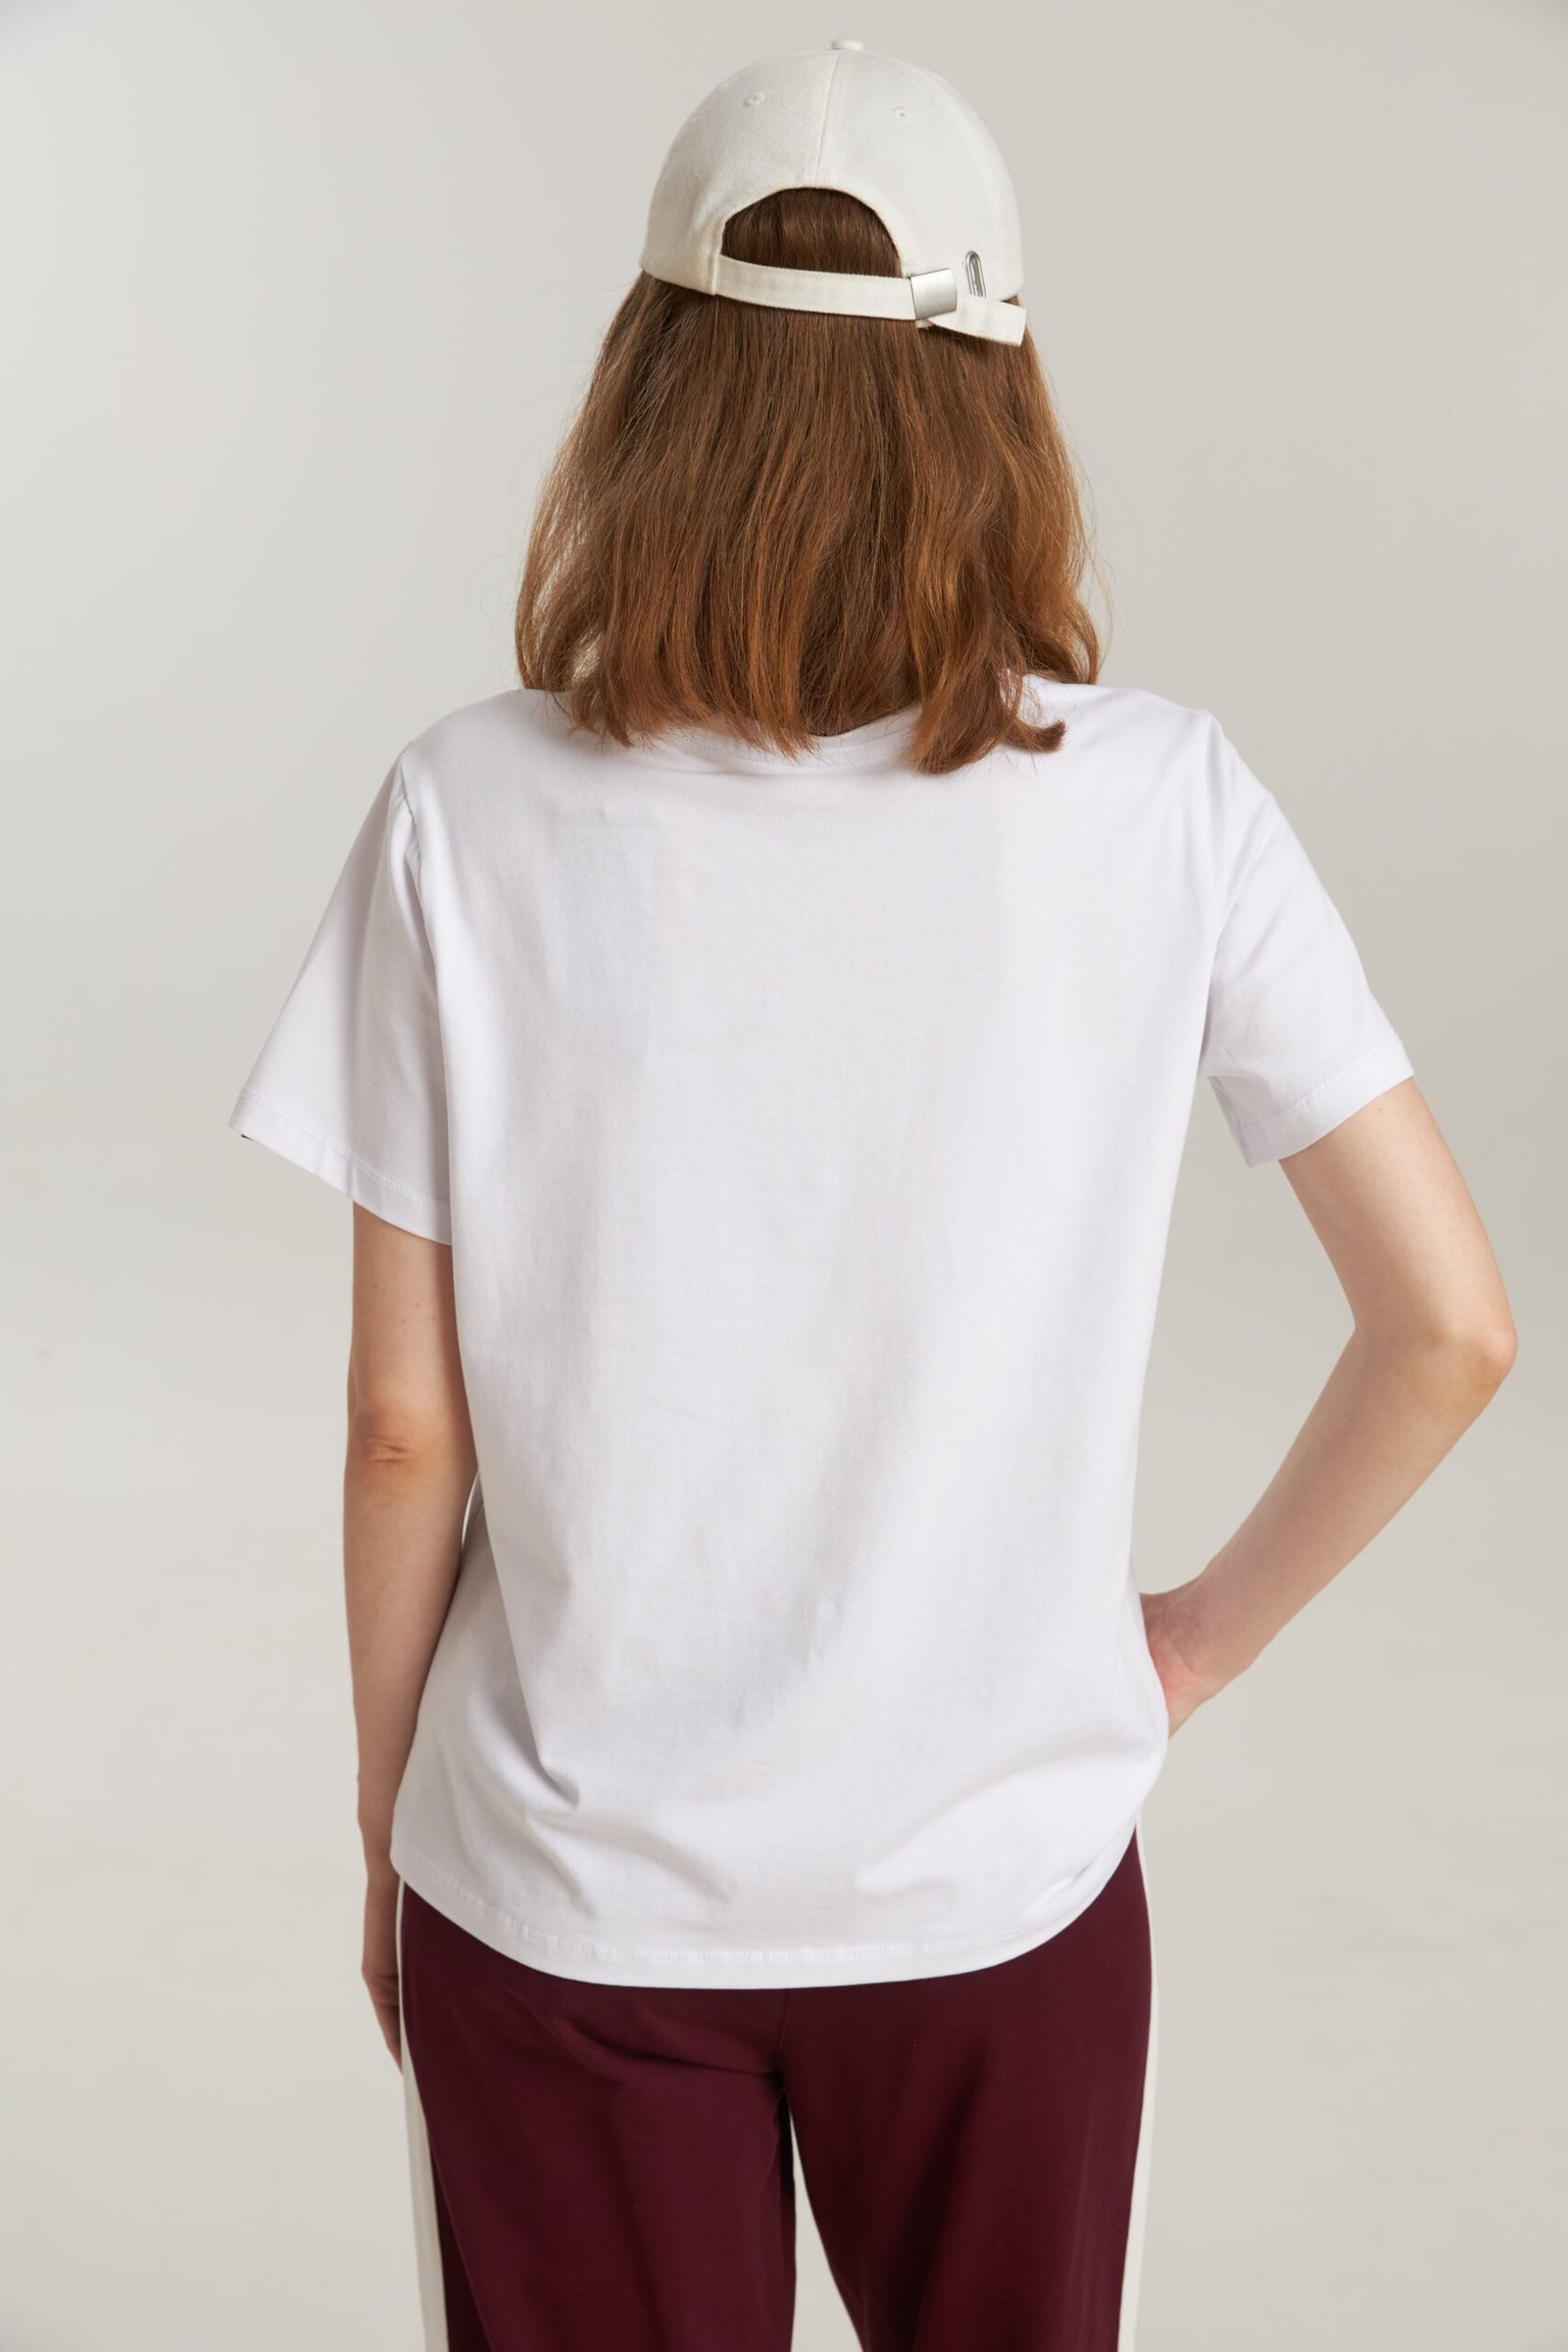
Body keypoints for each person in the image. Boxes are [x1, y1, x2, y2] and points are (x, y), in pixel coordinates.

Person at [226, 39, 1516, 2352]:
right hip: (995, 1884)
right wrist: (1182, 1650)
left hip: (564, 1903)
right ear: (998, 396)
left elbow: (403, 1432)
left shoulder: (463, 813)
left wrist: (388, 1818)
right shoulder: (1163, 805)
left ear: (646, 387)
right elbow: (1446, 1326)